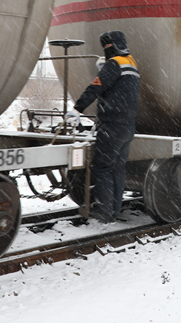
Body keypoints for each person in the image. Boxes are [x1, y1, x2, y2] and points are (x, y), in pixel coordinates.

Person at [65, 31, 140, 223]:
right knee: (118, 168)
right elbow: (120, 88)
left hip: (112, 126)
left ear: (109, 46)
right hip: (128, 126)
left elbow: (95, 88)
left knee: (102, 167)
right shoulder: (131, 63)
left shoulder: (114, 64)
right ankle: (114, 210)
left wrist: (77, 109)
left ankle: (104, 211)